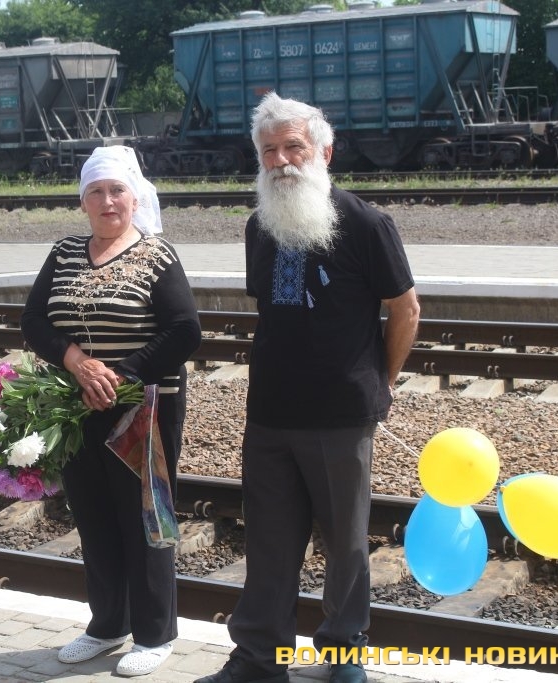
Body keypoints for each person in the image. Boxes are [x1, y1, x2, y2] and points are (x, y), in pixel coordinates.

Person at [195, 94, 420, 683]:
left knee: (344, 543)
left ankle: (343, 652)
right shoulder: (259, 226)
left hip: (341, 412)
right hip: (270, 410)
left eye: (293, 146)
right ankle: (258, 658)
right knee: (269, 541)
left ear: (324, 151)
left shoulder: (367, 224)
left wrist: (382, 382)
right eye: (269, 150)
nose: (281, 160)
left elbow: (405, 308)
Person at [20, 145, 202, 677]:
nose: (107, 201)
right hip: (76, 405)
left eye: (117, 190)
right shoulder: (64, 252)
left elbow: (185, 331)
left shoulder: (157, 255)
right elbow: (34, 321)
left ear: (135, 197)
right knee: (93, 516)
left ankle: (155, 634)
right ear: (82, 202)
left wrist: (119, 375)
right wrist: (77, 363)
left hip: (143, 408)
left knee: (145, 518)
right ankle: (107, 625)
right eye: (95, 192)